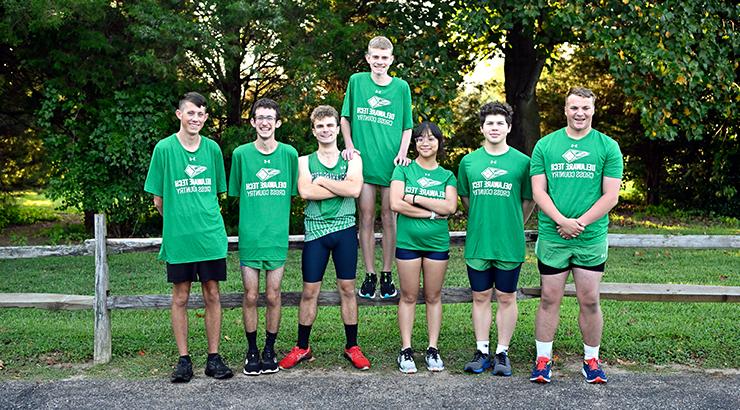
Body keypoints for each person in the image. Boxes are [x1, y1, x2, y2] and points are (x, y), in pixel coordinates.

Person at [528, 86, 623, 384]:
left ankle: (591, 360)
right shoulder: (546, 145)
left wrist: (578, 223)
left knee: (590, 299)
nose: (579, 113)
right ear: (565, 110)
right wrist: (561, 221)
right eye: (574, 108)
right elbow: (538, 191)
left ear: (593, 110)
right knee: (549, 298)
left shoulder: (608, 147)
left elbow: (611, 196)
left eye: (585, 108)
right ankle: (543, 360)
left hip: (590, 236)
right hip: (554, 234)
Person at [144, 92, 233, 383]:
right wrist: (180, 220)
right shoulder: (164, 149)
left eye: (201, 114)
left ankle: (214, 357)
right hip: (179, 236)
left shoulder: (212, 150)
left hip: (209, 235)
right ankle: (184, 360)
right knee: (180, 296)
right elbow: (158, 199)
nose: (195, 119)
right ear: (179, 114)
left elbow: (216, 193)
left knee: (212, 294)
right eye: (190, 113)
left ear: (206, 118)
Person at [278, 105, 371, 371]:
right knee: (310, 291)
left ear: (337, 128)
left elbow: (354, 189)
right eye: (320, 126)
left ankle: (352, 346)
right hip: (316, 231)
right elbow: (306, 193)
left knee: (348, 289)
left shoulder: (352, 159)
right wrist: (336, 185)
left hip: (344, 230)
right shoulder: (304, 161)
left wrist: (322, 181)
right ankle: (302, 347)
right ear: (314, 130)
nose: (326, 130)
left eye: (330, 125)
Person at [457, 102, 535, 376]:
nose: (494, 127)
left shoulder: (523, 163)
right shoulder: (468, 162)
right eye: (489, 123)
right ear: (482, 127)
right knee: (480, 296)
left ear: (509, 128)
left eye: (500, 123)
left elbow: (528, 200)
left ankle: (502, 353)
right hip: (479, 241)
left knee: (506, 296)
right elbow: (467, 200)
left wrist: (512, 223)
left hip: (509, 243)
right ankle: (482, 351)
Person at [228, 98, 298, 376]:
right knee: (250, 294)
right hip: (250, 236)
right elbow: (235, 194)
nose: (265, 122)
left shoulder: (290, 155)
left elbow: (295, 190)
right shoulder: (241, 155)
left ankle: (270, 349)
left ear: (278, 122)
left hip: (277, 236)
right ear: (253, 122)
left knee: (273, 294)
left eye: (271, 117)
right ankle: (252, 350)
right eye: (260, 117)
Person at [340, 35, 414, 300]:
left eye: (385, 58)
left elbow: (407, 126)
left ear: (391, 60)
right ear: (368, 58)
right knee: (367, 217)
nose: (380, 62)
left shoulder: (401, 87)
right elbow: (345, 118)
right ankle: (370, 274)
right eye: (375, 57)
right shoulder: (357, 82)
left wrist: (403, 154)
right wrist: (349, 146)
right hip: (364, 163)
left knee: (390, 217)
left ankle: (386, 273)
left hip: (391, 164)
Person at [389, 122, 457, 373]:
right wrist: (431, 212)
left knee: (432, 296)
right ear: (414, 143)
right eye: (419, 139)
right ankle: (406, 350)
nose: (425, 143)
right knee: (408, 296)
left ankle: (432, 349)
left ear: (439, 143)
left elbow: (450, 208)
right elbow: (396, 203)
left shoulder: (447, 175)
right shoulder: (403, 170)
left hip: (436, 243)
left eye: (430, 139)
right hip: (408, 242)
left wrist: (414, 197)